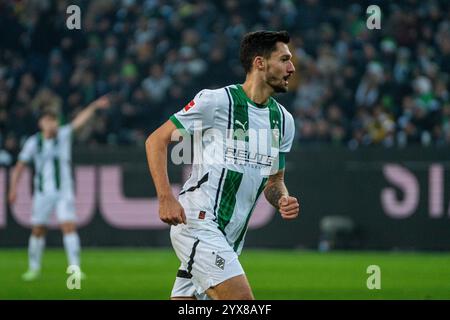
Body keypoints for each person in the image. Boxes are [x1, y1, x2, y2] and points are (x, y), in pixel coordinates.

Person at [145, 30, 300, 300]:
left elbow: (274, 182)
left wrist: (283, 199)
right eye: (284, 59)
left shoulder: (283, 121)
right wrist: (165, 197)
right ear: (260, 63)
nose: (292, 67)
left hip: (229, 237)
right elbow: (156, 140)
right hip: (198, 221)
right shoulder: (217, 101)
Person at [8, 95, 111, 281]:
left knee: (69, 227)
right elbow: (19, 167)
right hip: (42, 193)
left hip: (64, 191)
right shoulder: (33, 143)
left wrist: (94, 106)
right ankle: (34, 268)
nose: (51, 124)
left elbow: (79, 122)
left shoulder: (63, 135)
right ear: (41, 123)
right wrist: (13, 189)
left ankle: (75, 269)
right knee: (38, 229)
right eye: (48, 120)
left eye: (54, 120)